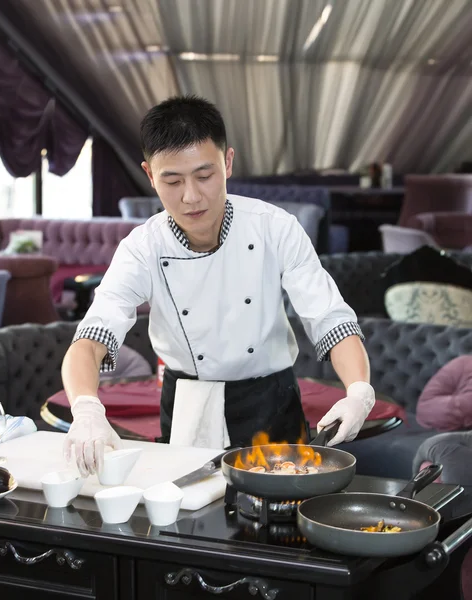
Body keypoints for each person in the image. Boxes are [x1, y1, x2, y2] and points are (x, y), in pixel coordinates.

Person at [61, 95, 375, 477]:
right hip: (187, 406)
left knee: (280, 521)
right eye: (172, 181)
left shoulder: (274, 227)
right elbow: (91, 337)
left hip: (271, 402)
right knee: (188, 520)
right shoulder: (143, 247)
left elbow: (330, 319)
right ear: (148, 175)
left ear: (228, 162)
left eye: (204, 176)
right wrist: (87, 409)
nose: (191, 196)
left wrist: (358, 389)